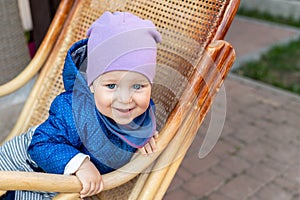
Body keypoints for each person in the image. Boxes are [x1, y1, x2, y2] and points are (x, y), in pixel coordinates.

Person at [0, 11, 162, 199]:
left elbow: (140, 116)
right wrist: (80, 164)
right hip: (32, 164)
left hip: (58, 179)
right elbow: (40, 145)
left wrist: (142, 133)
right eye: (111, 86)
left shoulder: (139, 108)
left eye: (137, 86)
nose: (125, 99)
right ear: (92, 85)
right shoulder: (73, 110)